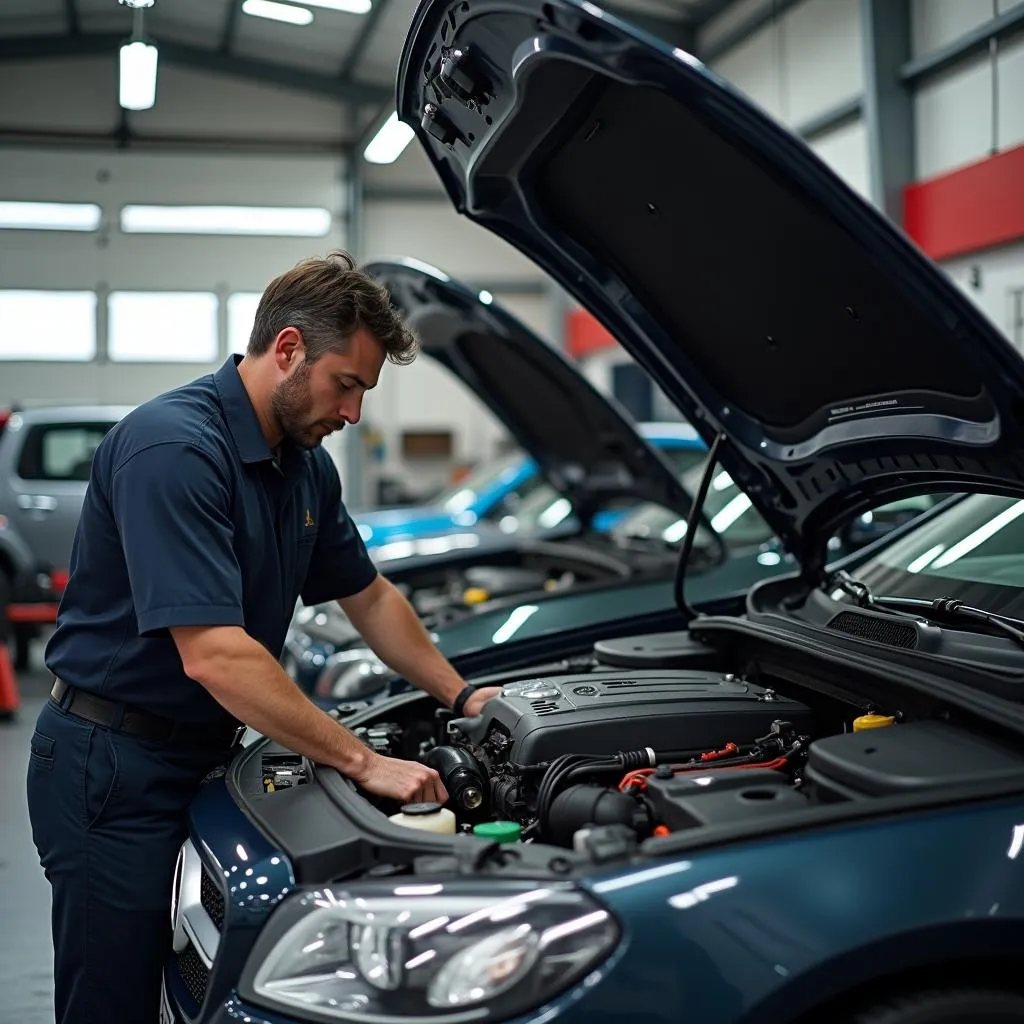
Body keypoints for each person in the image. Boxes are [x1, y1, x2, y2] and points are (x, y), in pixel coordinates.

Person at [25, 250, 501, 1024]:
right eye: (345, 385)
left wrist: (465, 694)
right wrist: (363, 761)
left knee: (204, 986)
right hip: (110, 767)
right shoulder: (176, 450)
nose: (351, 414)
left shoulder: (302, 464)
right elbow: (212, 652)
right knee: (110, 1001)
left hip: (203, 755)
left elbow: (370, 596)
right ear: (287, 350)